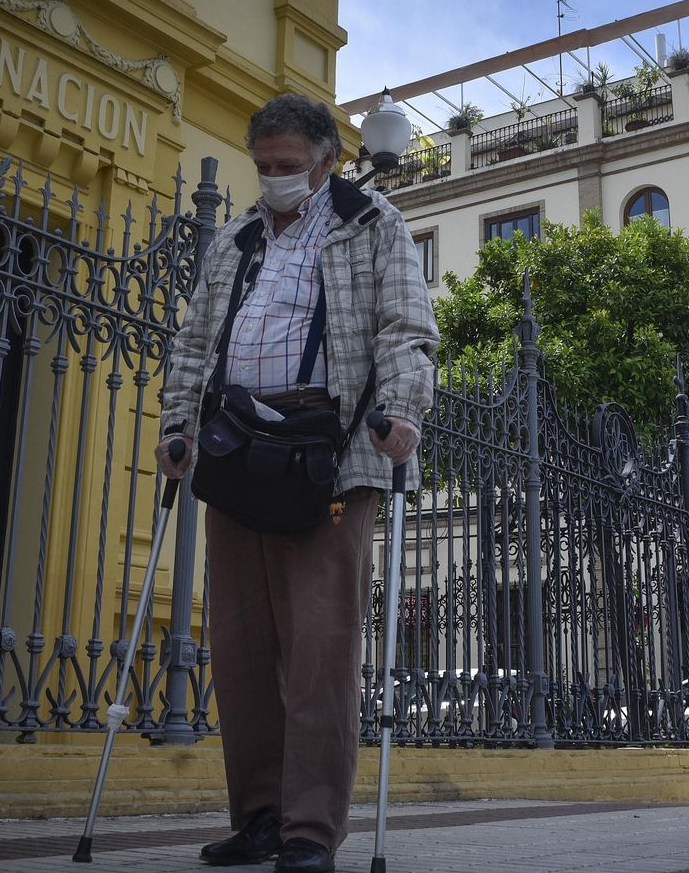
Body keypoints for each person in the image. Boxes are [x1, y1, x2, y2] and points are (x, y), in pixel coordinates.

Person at [155, 93, 439, 872]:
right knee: (241, 646)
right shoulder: (237, 238)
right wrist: (177, 425)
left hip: (334, 451)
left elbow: (407, 327)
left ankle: (310, 830)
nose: (275, 179)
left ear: (327, 161)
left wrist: (402, 411)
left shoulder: (371, 223)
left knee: (320, 646)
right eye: (265, 166)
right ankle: (258, 817)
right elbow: (194, 343)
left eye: (289, 167)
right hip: (235, 446)